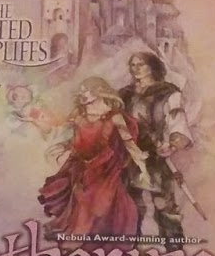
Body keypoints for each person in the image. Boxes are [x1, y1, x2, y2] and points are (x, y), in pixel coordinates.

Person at [37, 76, 149, 239]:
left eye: (86, 90)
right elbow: (64, 132)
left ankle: (101, 239)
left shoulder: (114, 116)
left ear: (99, 91)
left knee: (101, 205)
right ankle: (79, 239)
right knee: (80, 202)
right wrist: (49, 132)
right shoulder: (79, 114)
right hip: (81, 166)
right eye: (81, 90)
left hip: (104, 168)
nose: (82, 94)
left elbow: (129, 143)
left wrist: (143, 168)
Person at [117, 51, 193, 238]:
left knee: (164, 205)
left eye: (141, 64)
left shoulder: (167, 93)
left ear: (152, 67)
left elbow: (177, 120)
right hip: (129, 155)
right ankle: (132, 251)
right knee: (131, 207)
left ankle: (173, 251)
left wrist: (172, 145)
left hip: (156, 155)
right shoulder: (124, 95)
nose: (136, 69)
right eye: (133, 65)